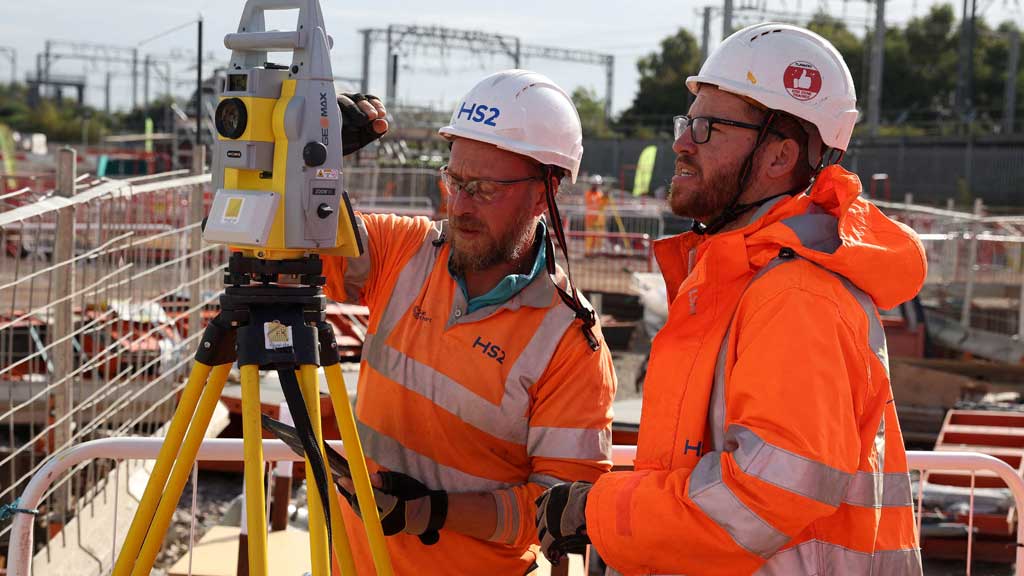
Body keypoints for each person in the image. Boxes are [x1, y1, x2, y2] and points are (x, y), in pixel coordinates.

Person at [534, 23, 925, 575]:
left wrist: (600, 512)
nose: (681, 141)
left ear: (779, 156)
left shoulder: (795, 298)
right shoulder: (742, 283)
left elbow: (765, 495)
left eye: (707, 126)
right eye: (686, 120)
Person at [324, 70, 617, 575]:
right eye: (454, 181)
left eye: (483, 189)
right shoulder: (405, 250)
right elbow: (281, 239)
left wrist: (431, 511)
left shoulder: (572, 346)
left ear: (546, 193)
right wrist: (310, 156)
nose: (458, 205)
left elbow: (561, 508)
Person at [584, 174, 608, 253]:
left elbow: (603, 205)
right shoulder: (588, 194)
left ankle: (598, 252)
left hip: (598, 220)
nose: (595, 186)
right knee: (589, 237)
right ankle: (588, 252)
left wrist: (605, 198)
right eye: (594, 184)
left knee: (599, 237)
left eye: (597, 184)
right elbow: (591, 203)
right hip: (590, 220)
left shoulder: (600, 194)